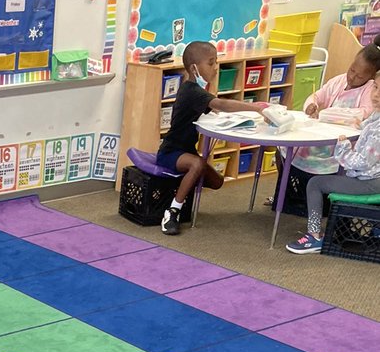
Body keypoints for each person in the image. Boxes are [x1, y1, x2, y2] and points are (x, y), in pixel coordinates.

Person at [157, 41, 269, 236]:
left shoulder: (198, 92)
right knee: (197, 164)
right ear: (194, 68)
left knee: (217, 182)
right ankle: (173, 211)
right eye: (211, 63)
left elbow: (214, 109)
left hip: (187, 151)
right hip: (170, 152)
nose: (216, 67)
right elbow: (220, 105)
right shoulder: (191, 90)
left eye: (216, 62)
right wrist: (255, 108)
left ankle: (183, 185)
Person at [270, 44, 380, 213]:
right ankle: (289, 197)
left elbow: (364, 114)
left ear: (371, 77)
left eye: (359, 76)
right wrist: (312, 105)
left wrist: (332, 117)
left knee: (316, 180)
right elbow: (317, 95)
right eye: (352, 70)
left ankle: (314, 214)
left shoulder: (370, 93)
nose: (352, 77)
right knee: (284, 150)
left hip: (339, 148)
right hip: (323, 139)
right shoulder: (338, 81)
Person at [287, 73, 380, 253]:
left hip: (370, 181)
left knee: (315, 184)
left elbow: (362, 163)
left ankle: (314, 235)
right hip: (369, 177)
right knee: (333, 175)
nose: (375, 94)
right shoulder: (376, 116)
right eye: (375, 87)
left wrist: (343, 149)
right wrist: (357, 125)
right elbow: (366, 126)